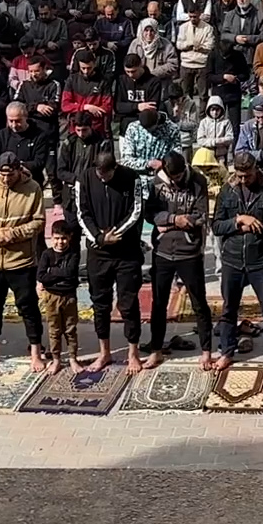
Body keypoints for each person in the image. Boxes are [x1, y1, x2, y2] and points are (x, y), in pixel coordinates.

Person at [212, 151, 263, 371]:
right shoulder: (228, 190)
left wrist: (256, 226)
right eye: (240, 176)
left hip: (260, 260)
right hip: (232, 259)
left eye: (248, 176)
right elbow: (216, 225)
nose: (244, 180)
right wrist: (238, 221)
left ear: (256, 169)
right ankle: (226, 351)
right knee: (229, 309)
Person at [74, 150, 148, 373]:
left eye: (106, 174)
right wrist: (99, 238)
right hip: (98, 252)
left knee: (128, 303)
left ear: (115, 168)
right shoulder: (84, 178)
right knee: (100, 304)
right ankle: (104, 352)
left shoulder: (132, 178)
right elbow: (82, 212)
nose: (102, 178)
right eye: (99, 174)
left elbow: (136, 211)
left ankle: (133, 353)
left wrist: (116, 234)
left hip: (126, 252)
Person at [0, 152, 47, 371]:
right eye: (2, 175)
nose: (6, 179)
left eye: (10, 175)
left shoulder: (32, 188)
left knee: (28, 308)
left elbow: (38, 221)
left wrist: (14, 234)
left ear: (18, 170)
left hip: (20, 261)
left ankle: (35, 351)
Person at [144, 152, 214, 368]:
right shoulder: (157, 183)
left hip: (189, 252)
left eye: (179, 176)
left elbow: (201, 216)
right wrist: (175, 219)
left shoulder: (198, 181)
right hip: (163, 251)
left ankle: (206, 351)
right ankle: (156, 350)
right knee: (159, 303)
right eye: (172, 178)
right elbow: (150, 214)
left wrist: (170, 224)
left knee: (199, 303)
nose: (176, 181)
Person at [35, 223, 84, 372]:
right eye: (56, 238)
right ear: (51, 237)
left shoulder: (73, 254)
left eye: (63, 238)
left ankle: (73, 358)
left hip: (69, 297)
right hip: (51, 297)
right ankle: (56, 359)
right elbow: (41, 276)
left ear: (69, 238)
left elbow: (70, 273)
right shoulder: (46, 254)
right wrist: (58, 275)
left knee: (70, 329)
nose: (60, 242)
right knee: (54, 330)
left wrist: (51, 272)